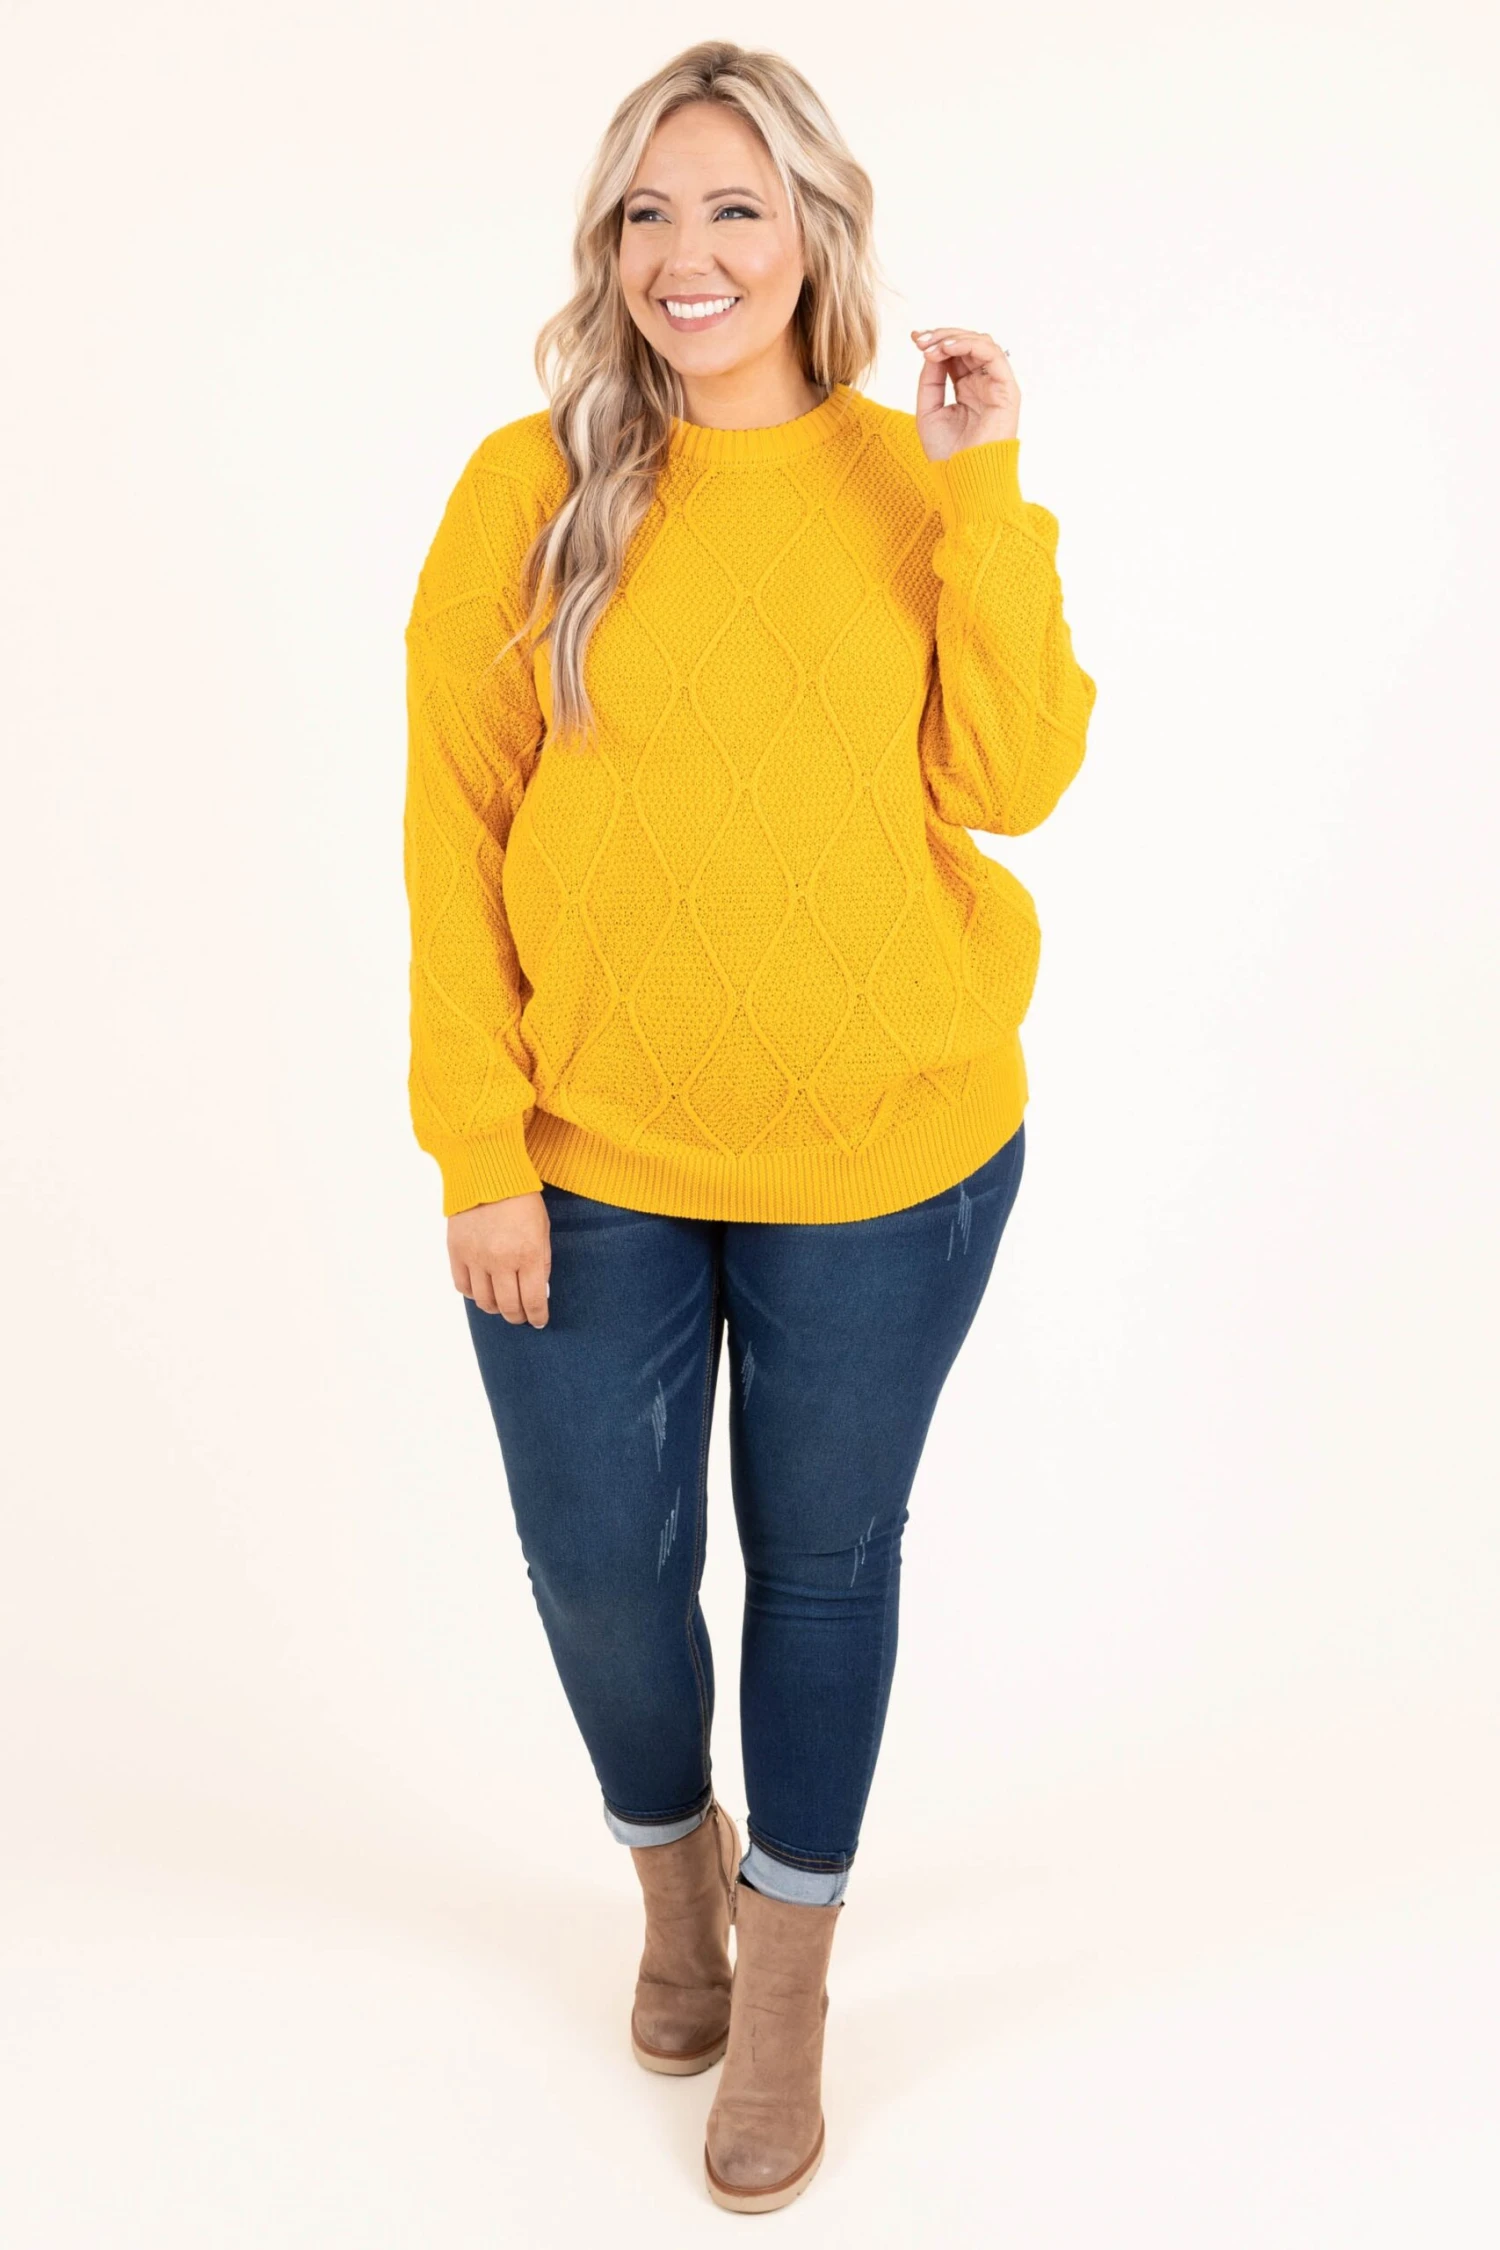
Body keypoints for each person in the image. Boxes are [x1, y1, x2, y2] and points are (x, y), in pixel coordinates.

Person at [402, 38, 1096, 2215]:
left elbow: (1015, 779)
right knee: (602, 1576)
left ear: (815, 234)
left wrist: (983, 490)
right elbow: (449, 828)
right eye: (649, 213)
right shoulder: (529, 488)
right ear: (607, 247)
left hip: (889, 1151)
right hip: (587, 1152)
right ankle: (673, 1889)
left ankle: (782, 1989)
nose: (686, 256)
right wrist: (478, 1147)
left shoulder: (911, 479)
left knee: (822, 1565)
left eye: (734, 209)